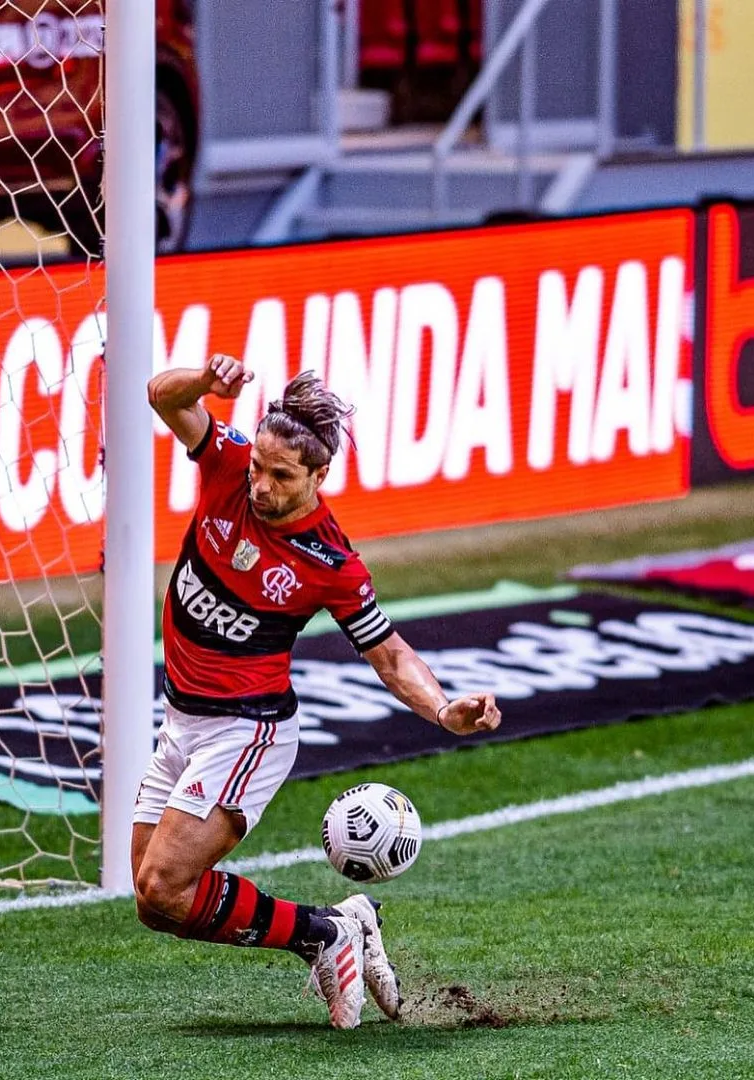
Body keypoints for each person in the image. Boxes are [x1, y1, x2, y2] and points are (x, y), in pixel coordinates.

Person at [133, 354, 502, 1029]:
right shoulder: (226, 465)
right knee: (154, 901)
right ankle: (335, 927)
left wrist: (444, 708)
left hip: (246, 729)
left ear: (319, 476)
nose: (262, 487)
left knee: (165, 881)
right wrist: (204, 385)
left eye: (281, 476)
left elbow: (388, 653)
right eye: (258, 470)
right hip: (180, 720)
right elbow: (161, 395)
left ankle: (325, 939)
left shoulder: (331, 562)